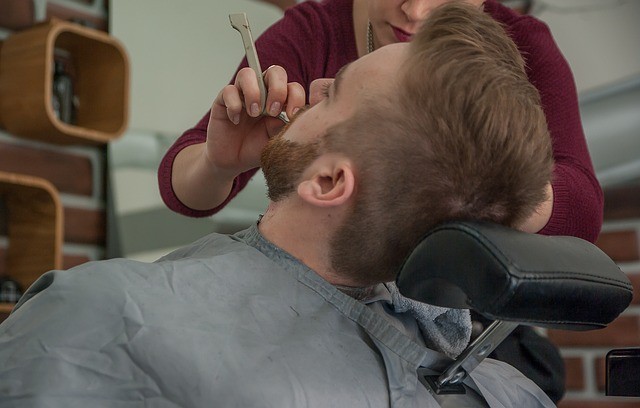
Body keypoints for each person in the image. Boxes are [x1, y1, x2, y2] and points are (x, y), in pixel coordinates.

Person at [0, 4, 555, 406]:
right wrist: (222, 161)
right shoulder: (508, 393)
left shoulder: (96, 312)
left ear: (330, 180)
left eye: (331, 92)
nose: (308, 92)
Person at [159, 0, 600, 400]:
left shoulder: (524, 45)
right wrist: (219, 163)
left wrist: (449, 176)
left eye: (331, 96)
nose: (414, 9)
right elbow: (184, 187)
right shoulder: (315, 29)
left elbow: (580, 204)